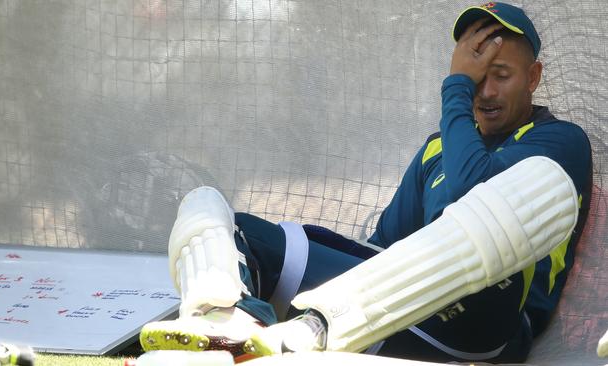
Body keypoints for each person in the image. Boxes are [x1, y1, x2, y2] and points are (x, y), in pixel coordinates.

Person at [140, 2, 592, 364]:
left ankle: (317, 325)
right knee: (216, 214)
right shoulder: (439, 147)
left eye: (501, 77)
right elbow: (384, 248)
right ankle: (223, 323)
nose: (485, 93)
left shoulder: (560, 141)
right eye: (476, 78)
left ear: (533, 78)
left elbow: (471, 189)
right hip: (403, 308)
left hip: (491, 325)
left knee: (495, 212)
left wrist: (455, 85)